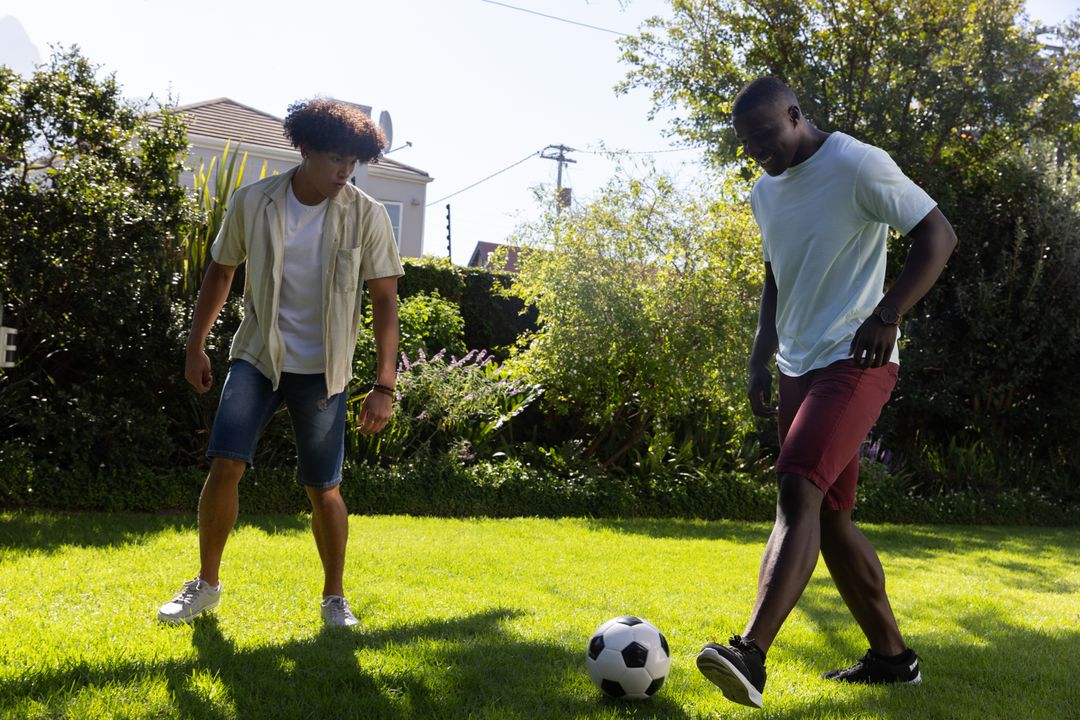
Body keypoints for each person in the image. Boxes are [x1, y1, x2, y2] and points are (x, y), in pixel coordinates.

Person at [695, 78, 957, 708]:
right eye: (747, 143)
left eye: (765, 135)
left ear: (795, 114)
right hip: (798, 363)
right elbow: (776, 273)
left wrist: (888, 313)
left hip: (857, 357)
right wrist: (761, 356)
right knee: (833, 521)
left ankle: (751, 654)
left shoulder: (856, 163)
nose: (758, 151)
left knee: (796, 487)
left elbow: (938, 236)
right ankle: (894, 662)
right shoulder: (764, 192)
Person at [158, 98, 403, 628]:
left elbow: (386, 301)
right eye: (336, 158)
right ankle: (205, 585)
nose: (345, 171)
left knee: (324, 488)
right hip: (257, 356)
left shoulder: (368, 215)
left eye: (354, 162)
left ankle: (335, 598)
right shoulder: (254, 201)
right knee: (226, 463)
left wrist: (385, 384)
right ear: (306, 148)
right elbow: (221, 273)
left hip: (324, 369)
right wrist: (195, 344)